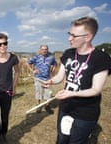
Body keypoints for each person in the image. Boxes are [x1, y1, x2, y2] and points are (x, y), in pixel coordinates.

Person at [42, 16, 111, 144]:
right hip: (66, 106)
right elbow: (60, 76)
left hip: (86, 111)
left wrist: (72, 93)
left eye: (74, 36)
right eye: (69, 34)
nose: (69, 38)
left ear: (88, 37)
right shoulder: (68, 53)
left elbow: (96, 89)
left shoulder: (101, 58)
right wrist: (51, 81)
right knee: (62, 140)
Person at [28, 45, 57, 113]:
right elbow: (28, 63)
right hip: (38, 78)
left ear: (47, 50)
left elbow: (55, 64)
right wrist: (33, 71)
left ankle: (47, 106)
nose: (44, 50)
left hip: (47, 79)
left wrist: (52, 71)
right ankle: (38, 106)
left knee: (48, 93)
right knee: (39, 92)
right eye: (43, 49)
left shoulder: (51, 57)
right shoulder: (36, 57)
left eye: (46, 49)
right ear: (40, 50)